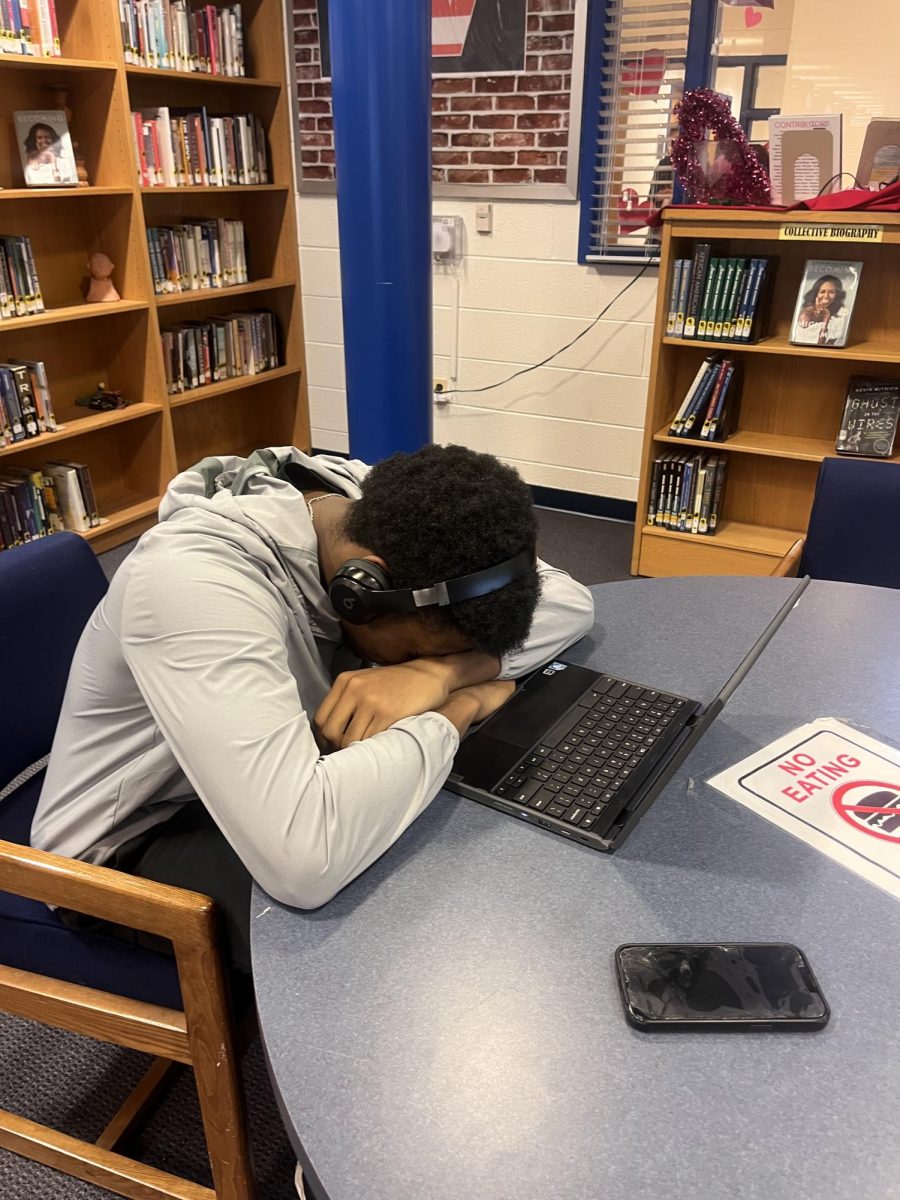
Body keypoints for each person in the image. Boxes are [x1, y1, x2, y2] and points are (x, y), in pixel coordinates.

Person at [31, 444, 594, 972]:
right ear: (362, 588)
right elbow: (304, 859)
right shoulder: (192, 581)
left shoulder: (371, 507)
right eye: (421, 649)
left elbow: (571, 601)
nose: (421, 667)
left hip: (277, 772)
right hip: (135, 841)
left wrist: (442, 671)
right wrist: (459, 709)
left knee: (454, 841)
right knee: (417, 929)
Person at [793, 274, 849, 346]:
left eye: (831, 292)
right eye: (822, 291)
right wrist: (826, 318)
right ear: (816, 293)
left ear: (837, 295)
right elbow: (820, 345)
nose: (826, 296)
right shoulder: (806, 314)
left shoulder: (838, 315)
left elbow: (832, 343)